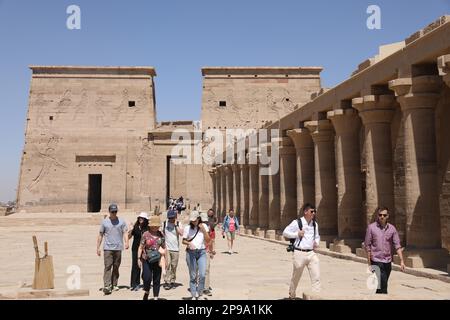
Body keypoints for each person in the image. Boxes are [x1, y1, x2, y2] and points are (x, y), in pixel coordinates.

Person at [282, 203, 320, 299]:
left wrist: (316, 242)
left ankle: (316, 296)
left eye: (314, 211)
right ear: (305, 211)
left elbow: (317, 236)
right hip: (299, 252)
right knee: (296, 276)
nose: (313, 213)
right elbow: (285, 232)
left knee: (316, 276)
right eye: (312, 211)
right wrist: (297, 234)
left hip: (311, 253)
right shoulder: (297, 222)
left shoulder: (315, 224)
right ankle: (292, 293)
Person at [364, 206, 405, 294]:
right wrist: (369, 263)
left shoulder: (392, 229)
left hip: (387, 260)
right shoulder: (371, 228)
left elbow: (397, 245)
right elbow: (367, 246)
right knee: (384, 284)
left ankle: (378, 295)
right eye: (380, 215)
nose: (382, 217)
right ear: (377, 216)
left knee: (382, 284)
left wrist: (401, 261)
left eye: (384, 215)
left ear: (387, 216)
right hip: (376, 259)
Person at [97, 203, 129, 295]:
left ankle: (114, 284)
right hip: (107, 248)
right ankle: (107, 285)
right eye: (112, 212)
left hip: (118, 248)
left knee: (116, 266)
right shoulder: (105, 222)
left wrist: (126, 242)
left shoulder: (121, 221)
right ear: (109, 212)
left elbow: (125, 232)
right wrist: (98, 247)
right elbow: (100, 235)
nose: (114, 213)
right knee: (108, 266)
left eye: (115, 212)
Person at [182, 210, 210, 300]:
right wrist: (189, 244)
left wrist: (203, 231)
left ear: (198, 219)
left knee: (202, 274)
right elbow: (183, 240)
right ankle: (194, 295)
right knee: (193, 275)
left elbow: (208, 240)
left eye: (195, 220)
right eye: (192, 220)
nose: (193, 221)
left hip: (201, 252)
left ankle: (200, 293)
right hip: (191, 253)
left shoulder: (204, 226)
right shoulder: (187, 228)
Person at [138, 215, 166, 300]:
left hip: (157, 259)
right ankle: (146, 291)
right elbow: (141, 247)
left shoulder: (161, 235)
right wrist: (138, 258)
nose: (155, 227)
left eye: (157, 226)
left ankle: (156, 297)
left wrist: (165, 261)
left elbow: (164, 247)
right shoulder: (145, 234)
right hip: (147, 259)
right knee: (147, 277)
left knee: (157, 278)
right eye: (154, 226)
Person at [162, 209, 183, 289]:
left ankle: (172, 280)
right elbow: (162, 234)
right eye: (170, 218)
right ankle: (167, 281)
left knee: (174, 266)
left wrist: (175, 225)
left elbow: (181, 233)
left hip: (175, 248)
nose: (171, 219)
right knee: (167, 265)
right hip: (167, 248)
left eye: (172, 218)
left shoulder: (178, 223)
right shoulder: (164, 224)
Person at [128, 212, 149, 291]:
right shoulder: (136, 226)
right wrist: (130, 230)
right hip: (135, 249)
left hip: (145, 249)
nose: (141, 219)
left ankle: (145, 283)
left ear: (145, 219)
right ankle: (134, 284)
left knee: (145, 266)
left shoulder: (147, 228)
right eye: (140, 217)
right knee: (135, 266)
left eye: (142, 218)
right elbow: (129, 236)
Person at [201, 211, 215, 296]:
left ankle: (206, 287)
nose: (205, 223)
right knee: (199, 270)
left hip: (206, 251)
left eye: (206, 222)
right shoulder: (194, 228)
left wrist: (211, 251)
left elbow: (211, 240)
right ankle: (200, 286)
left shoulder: (208, 228)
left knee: (206, 270)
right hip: (197, 251)